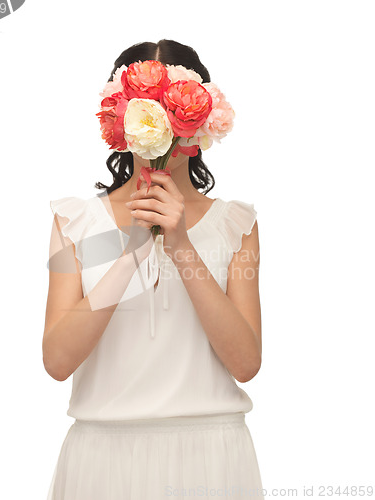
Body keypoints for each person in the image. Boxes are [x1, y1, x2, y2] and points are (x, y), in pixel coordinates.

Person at [43, 39, 264, 500]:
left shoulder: (236, 224)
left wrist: (181, 245)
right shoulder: (74, 223)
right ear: (121, 121)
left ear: (199, 119)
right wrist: (130, 254)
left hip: (212, 458)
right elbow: (57, 361)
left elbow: (246, 363)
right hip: (103, 460)